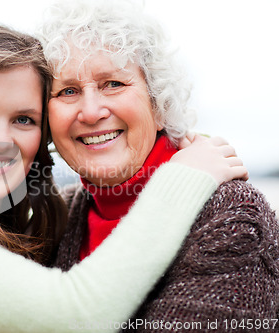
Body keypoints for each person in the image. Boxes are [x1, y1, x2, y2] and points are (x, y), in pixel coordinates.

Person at [0, 23, 247, 333]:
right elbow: (79, 314)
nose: (0, 141)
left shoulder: (37, 235)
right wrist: (183, 177)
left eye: (24, 120)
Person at [35, 0, 278, 331]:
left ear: (160, 105)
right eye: (67, 91)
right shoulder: (54, 217)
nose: (91, 112)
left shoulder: (232, 214)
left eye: (113, 84)